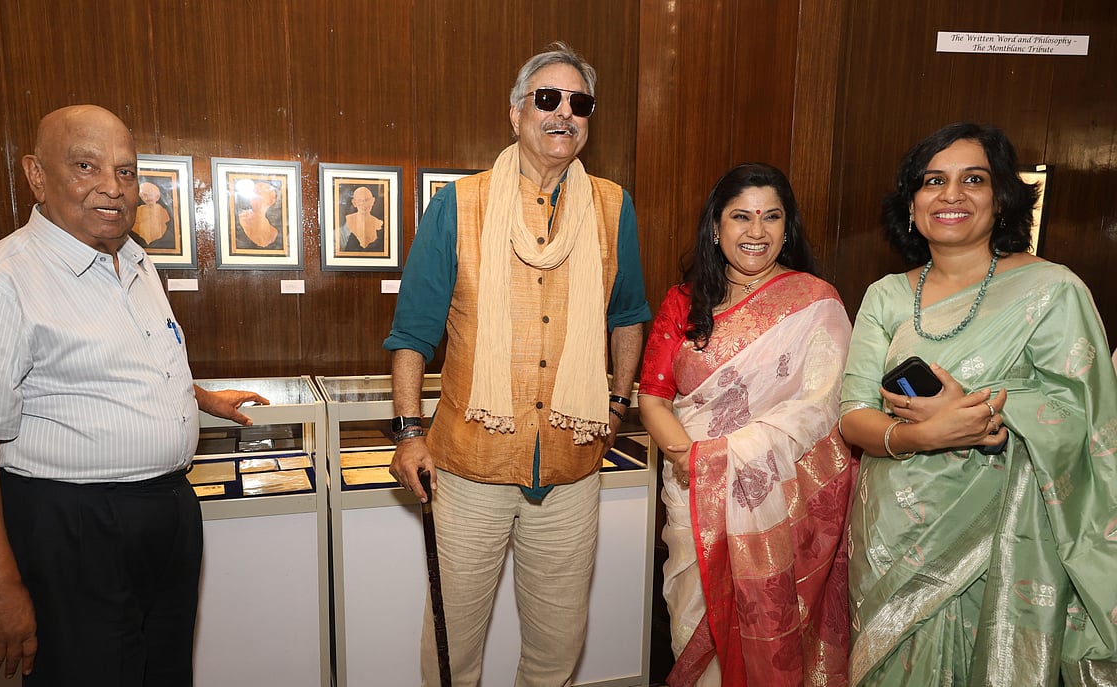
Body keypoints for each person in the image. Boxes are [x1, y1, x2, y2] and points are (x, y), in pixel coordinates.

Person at [0, 104, 269, 685]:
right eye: (86, 167)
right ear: (37, 175)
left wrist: (197, 398)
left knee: (163, 672)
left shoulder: (135, 261)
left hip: (165, 515)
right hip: (76, 527)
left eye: (126, 171)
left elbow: (118, 363)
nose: (112, 189)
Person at [384, 42, 650, 685]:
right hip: (470, 467)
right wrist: (408, 433)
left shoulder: (612, 207)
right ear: (515, 113)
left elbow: (629, 315)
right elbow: (413, 332)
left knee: (558, 645)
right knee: (454, 642)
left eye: (579, 102)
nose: (564, 113)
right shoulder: (459, 205)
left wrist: (616, 403)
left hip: (571, 467)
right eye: (547, 98)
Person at [839, 122, 1117, 684]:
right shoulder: (887, 294)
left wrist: (992, 413)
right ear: (912, 203)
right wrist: (922, 435)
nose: (951, 194)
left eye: (974, 179)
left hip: (1002, 536)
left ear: (1003, 200)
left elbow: (1088, 421)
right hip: (892, 532)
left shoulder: (1053, 290)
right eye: (932, 181)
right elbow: (853, 414)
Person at [639, 163, 855, 686]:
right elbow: (653, 396)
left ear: (787, 227)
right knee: (694, 621)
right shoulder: (684, 302)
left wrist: (726, 460)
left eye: (771, 217)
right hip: (693, 490)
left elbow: (823, 408)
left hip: (780, 500)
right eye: (741, 217)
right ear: (716, 227)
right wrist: (692, 464)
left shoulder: (816, 302)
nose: (756, 232)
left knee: (775, 624)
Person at [235, 180, 281, 249]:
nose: (253, 199)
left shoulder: (273, 232)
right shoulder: (241, 218)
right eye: (255, 193)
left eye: (260, 194)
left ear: (271, 201)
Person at [339, 185, 384, 252]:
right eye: (360, 201)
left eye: (367, 200)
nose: (364, 204)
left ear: (373, 201)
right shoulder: (347, 222)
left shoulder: (379, 224)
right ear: (354, 203)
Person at [132, 181, 171, 246]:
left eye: (150, 195)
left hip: (160, 239)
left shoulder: (161, 210)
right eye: (144, 195)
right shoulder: (139, 210)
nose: (148, 198)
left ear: (157, 197)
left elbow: (165, 221)